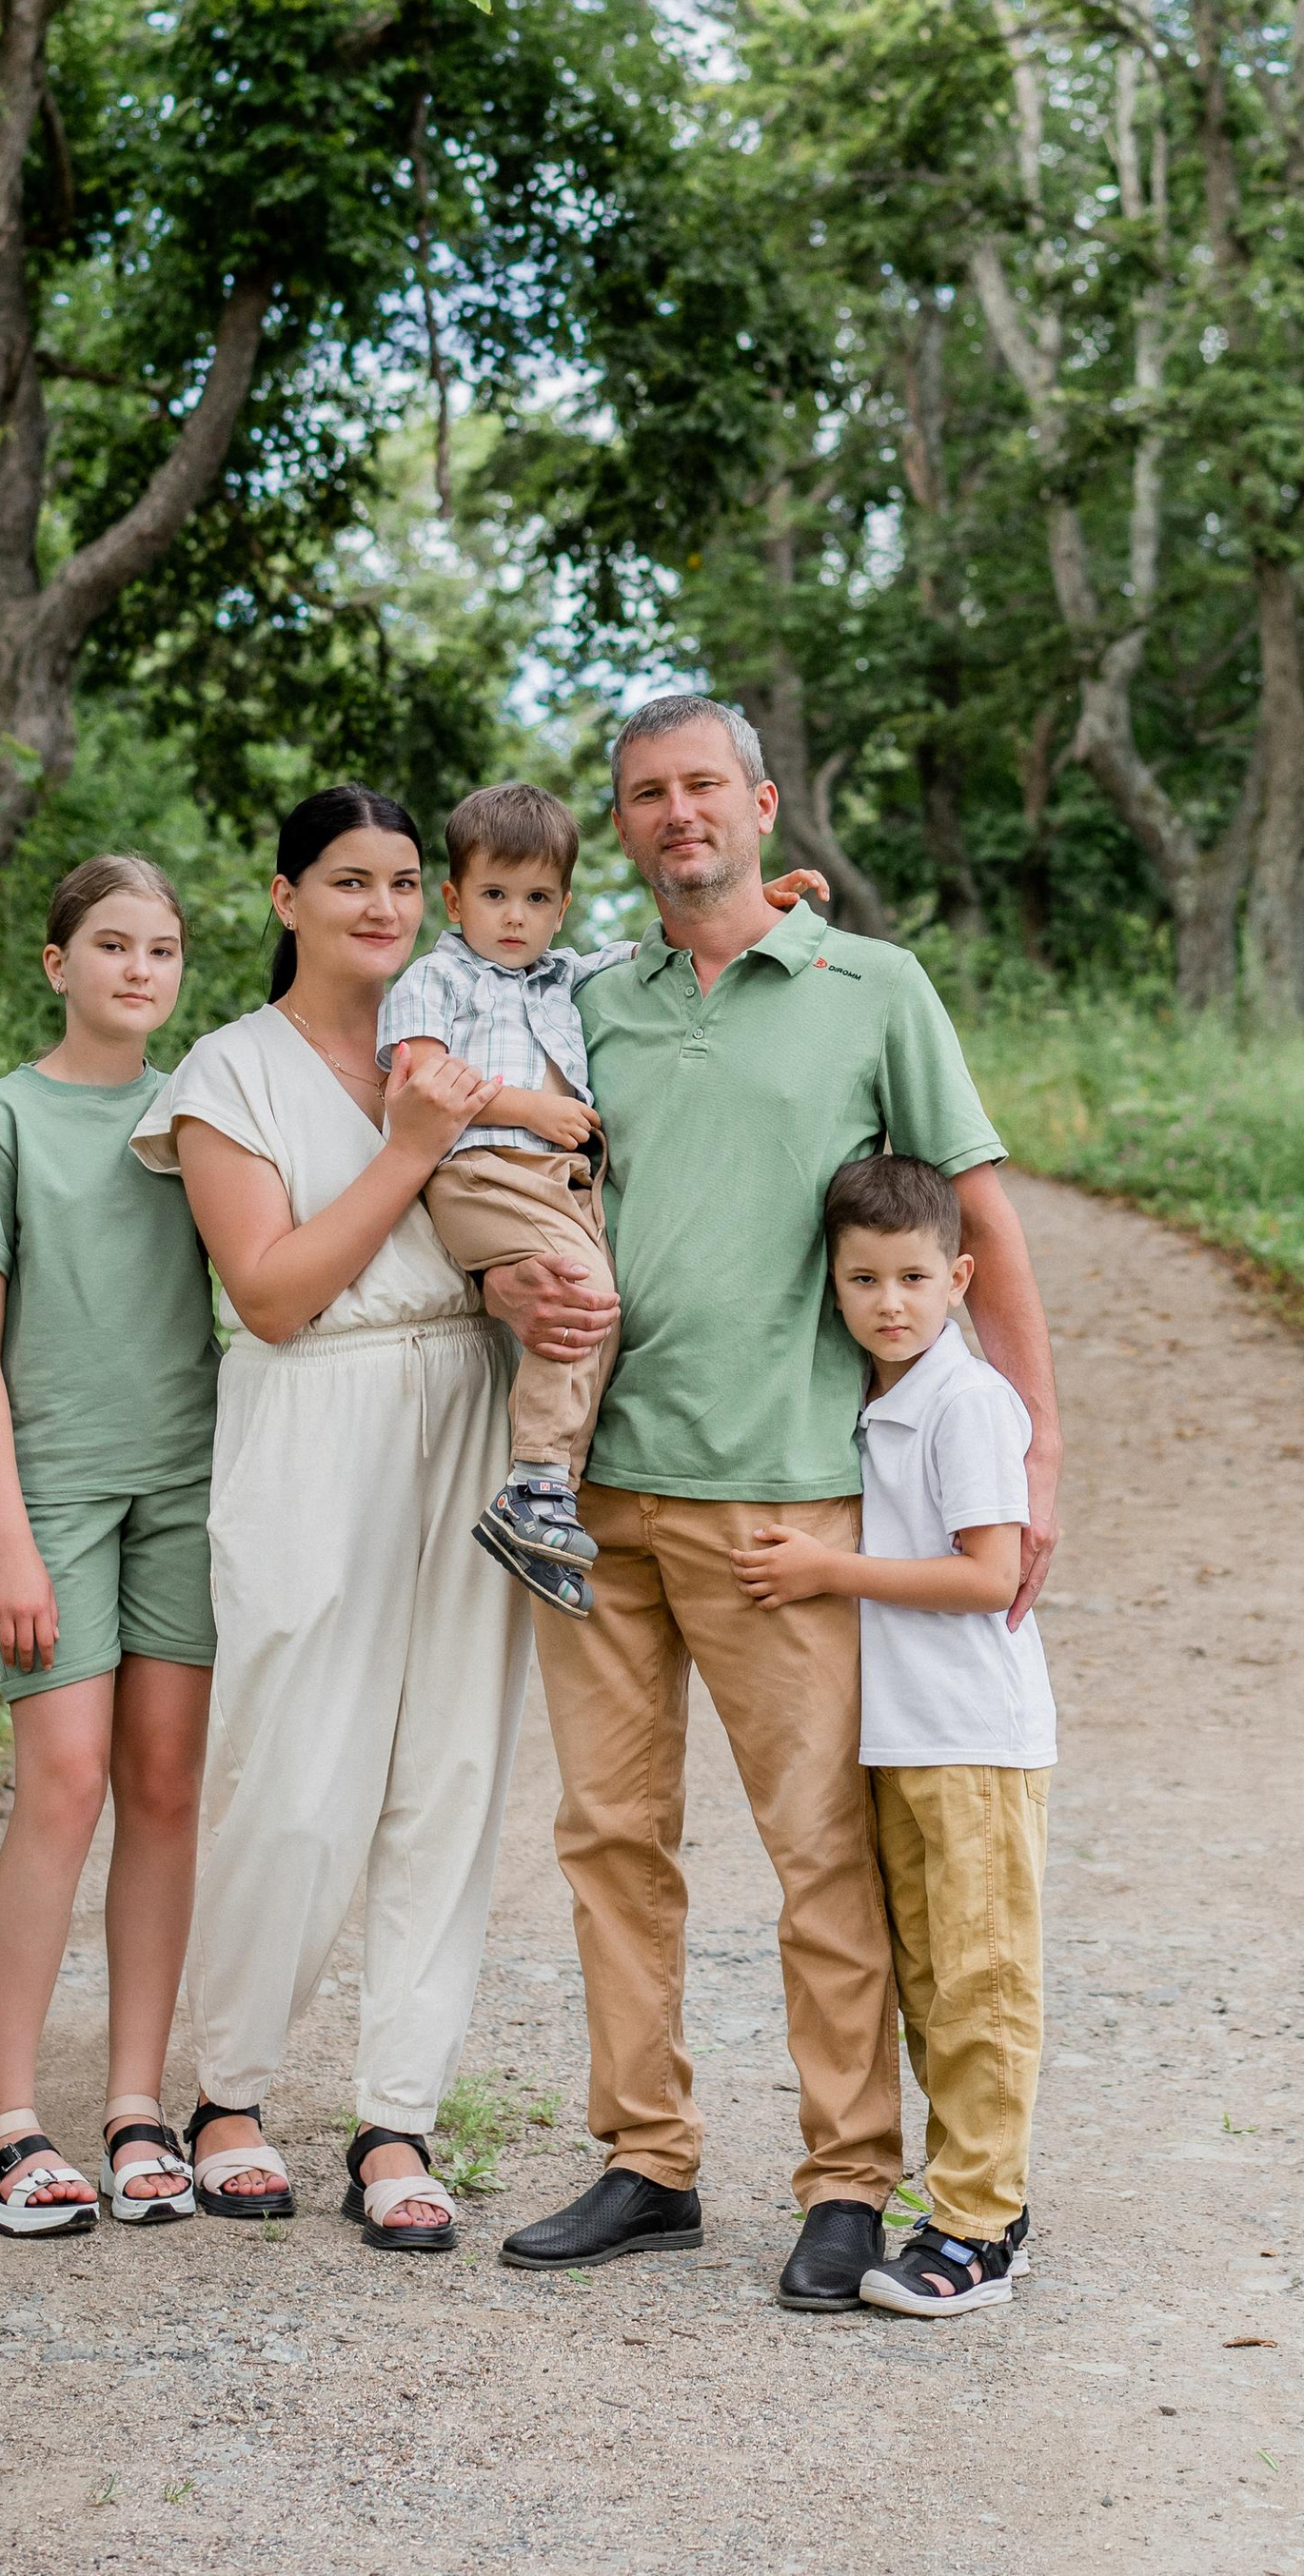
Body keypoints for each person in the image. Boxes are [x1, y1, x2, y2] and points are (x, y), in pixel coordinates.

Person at [490, 694, 1061, 2313]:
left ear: (762, 802)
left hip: (790, 1509)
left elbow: (986, 1229)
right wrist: (511, 1301)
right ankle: (647, 2160)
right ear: (622, 827)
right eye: (646, 795)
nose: (680, 815)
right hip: (595, 1494)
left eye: (703, 788)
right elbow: (508, 1184)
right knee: (610, 1840)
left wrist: (1036, 1452)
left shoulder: (874, 988)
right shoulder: (584, 1008)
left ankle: (844, 2180)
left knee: (820, 1855)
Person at [131, 784, 524, 2249]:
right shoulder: (229, 1074)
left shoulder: (474, 1033)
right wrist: (413, 1145)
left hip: (471, 1400)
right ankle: (227, 2093)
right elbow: (277, 1296)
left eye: (406, 881)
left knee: (455, 1765)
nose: (382, 905)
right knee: (295, 1766)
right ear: (284, 895)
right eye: (349, 878)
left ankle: (396, 2119)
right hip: (316, 1413)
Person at [0, 855, 219, 2236]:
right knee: (66, 1784)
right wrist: (6, 1538)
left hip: (191, 1485)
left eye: (160, 949)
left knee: (163, 1785)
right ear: (57, 964)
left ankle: (137, 2106)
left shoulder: (200, 1113)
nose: (138, 970)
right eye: (110, 945)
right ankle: (0, 2126)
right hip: (61, 1497)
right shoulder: (0, 1124)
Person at [382, 780, 830, 1622]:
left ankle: (549, 1488)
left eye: (537, 899)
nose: (514, 917)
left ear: (562, 909)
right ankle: (536, 1489)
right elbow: (418, 1083)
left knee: (591, 1310)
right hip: (481, 1171)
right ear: (454, 898)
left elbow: (649, 950)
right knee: (585, 1298)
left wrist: (754, 903)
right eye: (494, 895)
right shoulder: (434, 981)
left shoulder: (563, 976)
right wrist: (532, 1109)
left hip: (556, 1185)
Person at [734, 1154, 1055, 2316]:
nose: (889, 1303)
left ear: (960, 1278)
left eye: (915, 1278)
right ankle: (979, 2201)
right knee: (927, 1983)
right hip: (905, 1737)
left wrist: (827, 1571)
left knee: (980, 1984)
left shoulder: (964, 1401)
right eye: (863, 1279)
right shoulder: (876, 1397)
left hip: (972, 1740)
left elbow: (990, 1575)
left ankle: (977, 2232)